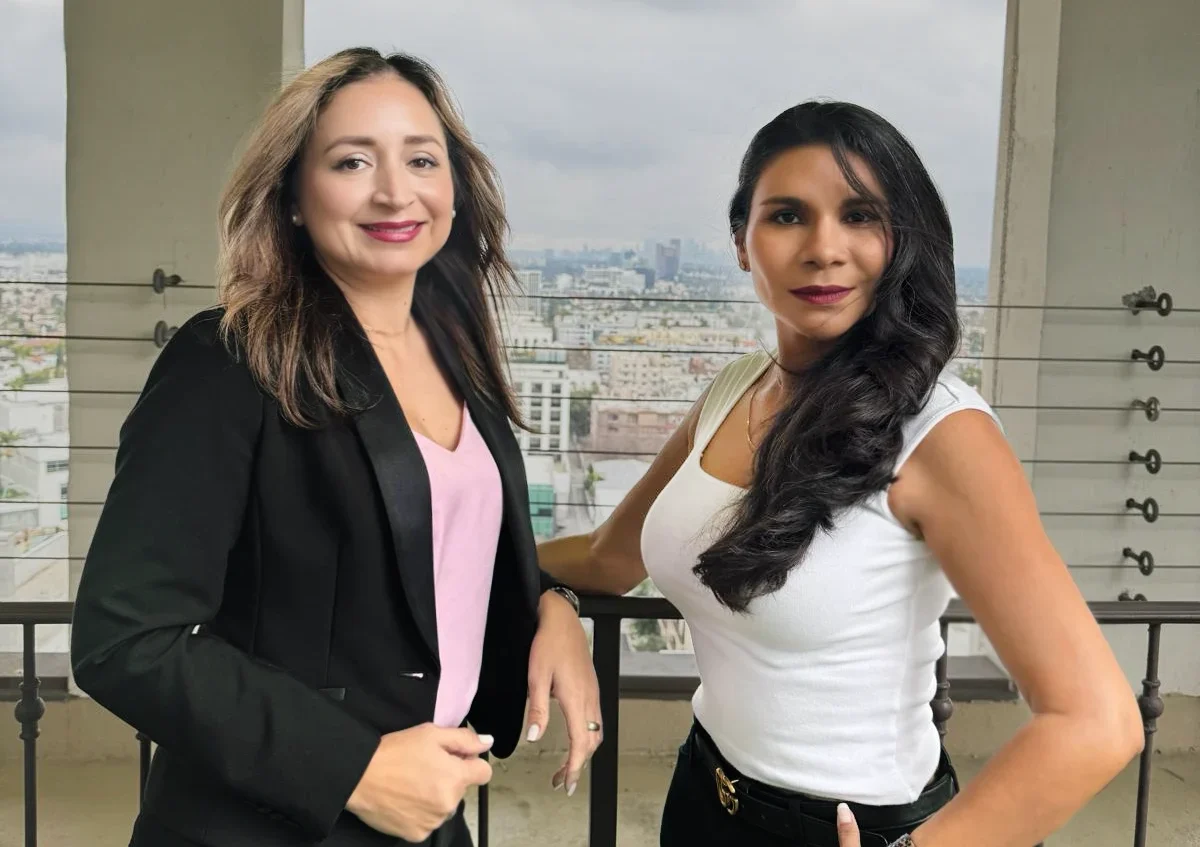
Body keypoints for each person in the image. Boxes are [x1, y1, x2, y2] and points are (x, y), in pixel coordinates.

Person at [538, 101, 1143, 847]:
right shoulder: (735, 388)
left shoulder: (942, 433)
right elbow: (607, 557)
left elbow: (1097, 721)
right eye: (788, 216)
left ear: (902, 240)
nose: (824, 248)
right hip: (702, 795)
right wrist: (542, 591)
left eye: (860, 216)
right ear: (740, 242)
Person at [70, 48, 602, 847]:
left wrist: (552, 602)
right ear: (290, 194)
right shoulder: (230, 359)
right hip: (267, 822)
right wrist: (350, 767)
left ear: (454, 185)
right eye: (352, 161)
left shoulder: (459, 355)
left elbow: (444, 550)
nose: (395, 190)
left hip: (427, 815)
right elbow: (124, 639)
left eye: (422, 158)